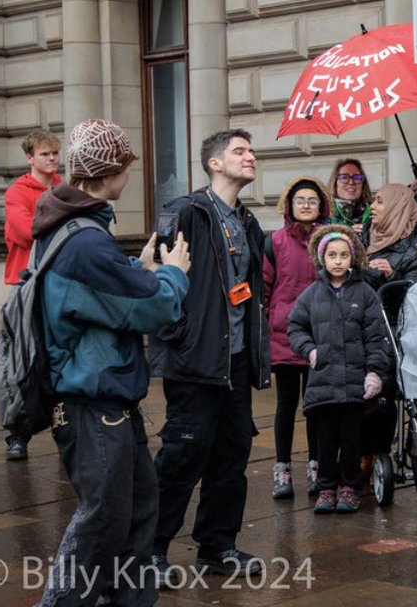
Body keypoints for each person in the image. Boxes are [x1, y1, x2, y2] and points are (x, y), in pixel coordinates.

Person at [33, 119, 190, 606]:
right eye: (127, 165)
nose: (131, 174)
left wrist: (133, 269)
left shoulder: (75, 229)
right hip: (93, 405)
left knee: (139, 512)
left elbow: (95, 300)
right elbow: (152, 307)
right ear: (110, 171)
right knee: (104, 520)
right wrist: (173, 275)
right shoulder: (85, 242)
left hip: (106, 401)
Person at [149, 129, 270, 580]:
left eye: (251, 150)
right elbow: (156, 276)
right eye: (240, 151)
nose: (250, 156)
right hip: (196, 361)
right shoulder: (185, 211)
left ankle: (217, 548)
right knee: (182, 457)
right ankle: (150, 549)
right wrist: (180, 336)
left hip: (235, 362)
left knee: (231, 458)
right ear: (214, 163)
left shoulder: (248, 222)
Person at [288, 224, 391, 514]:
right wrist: (309, 350)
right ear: (322, 258)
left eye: (343, 255)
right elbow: (295, 327)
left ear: (352, 257)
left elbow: (376, 337)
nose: (337, 261)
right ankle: (326, 487)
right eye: (331, 255)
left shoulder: (365, 293)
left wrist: (374, 372)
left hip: (353, 383)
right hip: (323, 383)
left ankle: (349, 487)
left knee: (351, 440)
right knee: (325, 441)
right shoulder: (311, 295)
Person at [263, 177, 331, 499]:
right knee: (286, 406)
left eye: (312, 200)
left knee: (315, 406)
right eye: (300, 199)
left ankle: (316, 467)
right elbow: (265, 288)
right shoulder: (275, 242)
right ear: (289, 205)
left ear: (322, 205)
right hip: (285, 335)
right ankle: (282, 469)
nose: (306, 205)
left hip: (320, 333)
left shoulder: (330, 240)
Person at [1, 129, 62, 461]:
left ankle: (64, 426)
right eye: (44, 154)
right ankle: (17, 434)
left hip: (57, 280)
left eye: (54, 153)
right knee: (23, 361)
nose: (51, 159)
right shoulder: (18, 192)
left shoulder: (63, 189)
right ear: (30, 158)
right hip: (26, 284)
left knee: (58, 357)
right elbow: (28, 232)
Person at [365, 183, 417, 289]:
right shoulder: (364, 234)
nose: (372, 206)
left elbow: (415, 299)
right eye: (374, 201)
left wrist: (391, 276)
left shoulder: (415, 254)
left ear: (396, 208)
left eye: (379, 201)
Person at [329, 157, 373, 233]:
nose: (351, 182)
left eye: (357, 177)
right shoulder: (325, 212)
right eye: (344, 177)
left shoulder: (373, 213)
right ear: (335, 182)